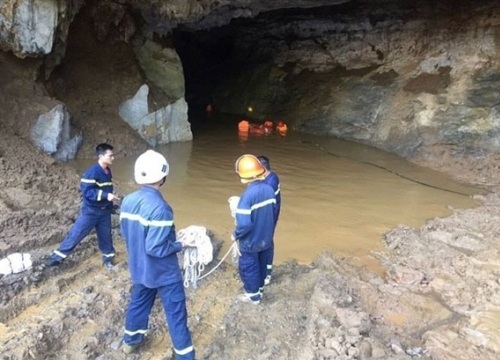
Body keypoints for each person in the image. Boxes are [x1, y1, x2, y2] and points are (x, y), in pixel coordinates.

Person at [119, 150, 195, 358]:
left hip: (140, 267)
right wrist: (180, 244)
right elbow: (155, 247)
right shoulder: (161, 208)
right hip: (163, 272)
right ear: (163, 177)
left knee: (139, 303)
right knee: (176, 313)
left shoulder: (127, 201)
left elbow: (125, 232)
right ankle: (185, 355)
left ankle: (130, 342)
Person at [45, 143, 120, 269]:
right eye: (110, 156)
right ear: (101, 156)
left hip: (104, 211)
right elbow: (87, 192)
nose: (113, 158)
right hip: (91, 211)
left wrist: (110, 202)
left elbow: (105, 188)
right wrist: (106, 196)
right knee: (77, 233)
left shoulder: (107, 170)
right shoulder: (92, 172)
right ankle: (57, 257)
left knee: (106, 236)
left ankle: (108, 258)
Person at [232, 154, 277, 304]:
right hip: (266, 238)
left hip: (250, 241)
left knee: (249, 267)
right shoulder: (269, 190)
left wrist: (235, 235)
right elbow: (272, 213)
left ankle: (253, 296)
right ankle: (260, 289)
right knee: (262, 264)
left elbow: (244, 225)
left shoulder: (246, 197)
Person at [257, 155, 281, 286]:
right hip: (267, 216)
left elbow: (262, 200)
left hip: (269, 218)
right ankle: (263, 270)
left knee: (267, 244)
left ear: (262, 169)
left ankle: (267, 274)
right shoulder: (270, 177)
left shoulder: (271, 182)